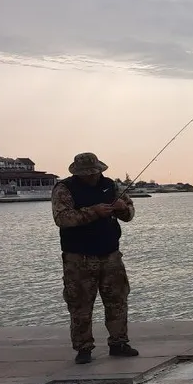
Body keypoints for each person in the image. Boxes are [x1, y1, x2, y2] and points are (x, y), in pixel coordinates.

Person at [51, 152, 139, 364]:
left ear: (100, 169)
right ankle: (83, 349)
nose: (90, 177)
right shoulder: (64, 188)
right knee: (80, 304)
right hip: (78, 257)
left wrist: (122, 209)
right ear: (77, 173)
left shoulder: (111, 185)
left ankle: (119, 343)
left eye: (93, 173)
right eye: (85, 174)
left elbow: (130, 213)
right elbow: (62, 218)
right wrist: (94, 212)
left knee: (117, 300)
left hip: (110, 254)